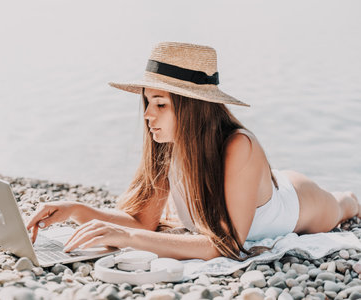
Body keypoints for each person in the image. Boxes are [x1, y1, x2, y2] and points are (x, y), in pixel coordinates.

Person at [26, 42, 360, 261]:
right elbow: (143, 221)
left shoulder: (239, 146)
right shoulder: (166, 147)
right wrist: (75, 209)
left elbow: (227, 245)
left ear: (192, 108)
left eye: (160, 104)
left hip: (299, 202)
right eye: (146, 102)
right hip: (247, 187)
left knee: (346, 205)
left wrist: (129, 239)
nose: (147, 115)